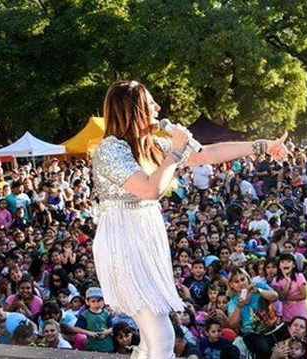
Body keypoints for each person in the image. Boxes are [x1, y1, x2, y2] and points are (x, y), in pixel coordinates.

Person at [91, 80, 288, 358]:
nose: (158, 108)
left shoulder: (148, 144)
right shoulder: (111, 149)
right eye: (150, 104)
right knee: (162, 336)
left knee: (150, 339)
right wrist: (174, 151)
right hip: (125, 241)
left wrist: (262, 146)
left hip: (142, 236)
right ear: (133, 110)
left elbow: (206, 153)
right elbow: (150, 189)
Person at [74, 287, 114, 352]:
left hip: (107, 345)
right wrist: (89, 333)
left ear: (103, 301)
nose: (96, 304)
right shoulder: (85, 315)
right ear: (87, 302)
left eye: (98, 301)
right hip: (93, 346)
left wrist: (107, 332)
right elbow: (76, 328)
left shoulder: (106, 314)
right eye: (93, 301)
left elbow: (111, 327)